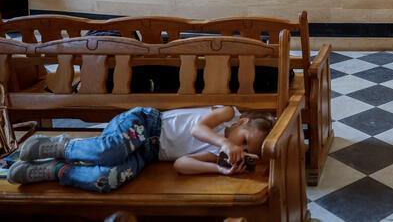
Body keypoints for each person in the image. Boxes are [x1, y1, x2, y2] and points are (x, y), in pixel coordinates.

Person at [8, 106, 276, 192]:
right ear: (243, 122)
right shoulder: (228, 114)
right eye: (243, 141)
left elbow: (181, 165)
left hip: (147, 155)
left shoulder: (220, 154)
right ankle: (60, 145)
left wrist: (219, 168)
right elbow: (197, 129)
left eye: (246, 150)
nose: (238, 148)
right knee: (111, 152)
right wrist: (226, 142)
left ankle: (55, 171)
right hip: (145, 124)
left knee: (108, 179)